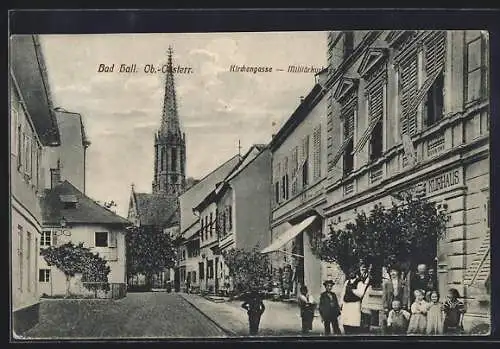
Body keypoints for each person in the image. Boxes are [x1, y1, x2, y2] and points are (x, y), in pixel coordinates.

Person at [339, 265, 371, 335]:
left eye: (353, 272)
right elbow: (343, 293)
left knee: (353, 322)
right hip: (346, 305)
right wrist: (341, 303)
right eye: (350, 272)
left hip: (354, 305)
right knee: (346, 322)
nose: (351, 273)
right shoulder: (347, 282)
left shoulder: (359, 282)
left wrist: (352, 290)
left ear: (356, 273)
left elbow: (361, 293)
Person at [382, 267, 409, 332]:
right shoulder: (387, 283)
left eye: (394, 271)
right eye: (391, 272)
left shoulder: (402, 282)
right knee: (390, 319)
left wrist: (405, 304)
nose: (392, 273)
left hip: (400, 303)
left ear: (398, 272)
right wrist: (385, 306)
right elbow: (384, 295)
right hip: (390, 302)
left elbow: (405, 293)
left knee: (401, 319)